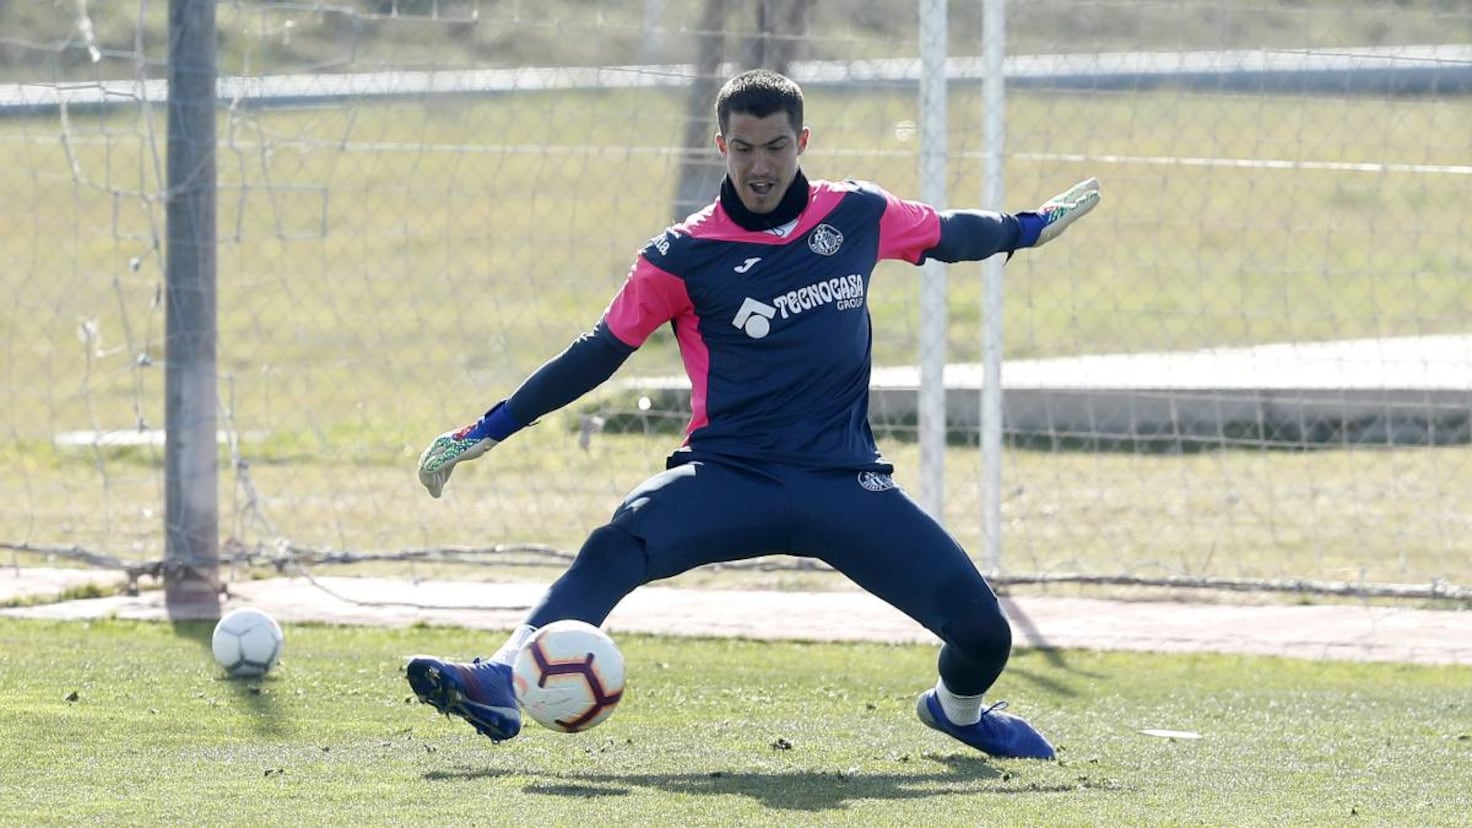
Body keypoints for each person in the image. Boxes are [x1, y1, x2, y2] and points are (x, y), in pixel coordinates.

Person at [406, 69, 1099, 760]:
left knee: (985, 637)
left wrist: (1028, 228)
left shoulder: (855, 213)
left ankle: (959, 713)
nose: (760, 165)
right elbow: (596, 353)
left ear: (802, 141)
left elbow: (949, 233)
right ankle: (500, 677)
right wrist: (486, 430)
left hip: (843, 482)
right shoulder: (681, 255)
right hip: (729, 477)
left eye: (775, 147)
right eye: (743, 148)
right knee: (617, 542)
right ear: (720, 146)